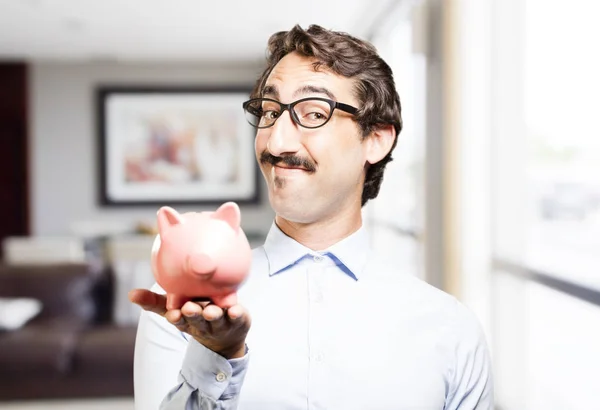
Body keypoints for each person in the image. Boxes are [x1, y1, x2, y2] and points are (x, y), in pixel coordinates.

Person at [129, 24, 494, 410]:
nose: (276, 142)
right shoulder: (184, 310)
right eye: (269, 113)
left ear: (376, 139)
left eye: (313, 113)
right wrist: (218, 355)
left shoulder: (451, 329)